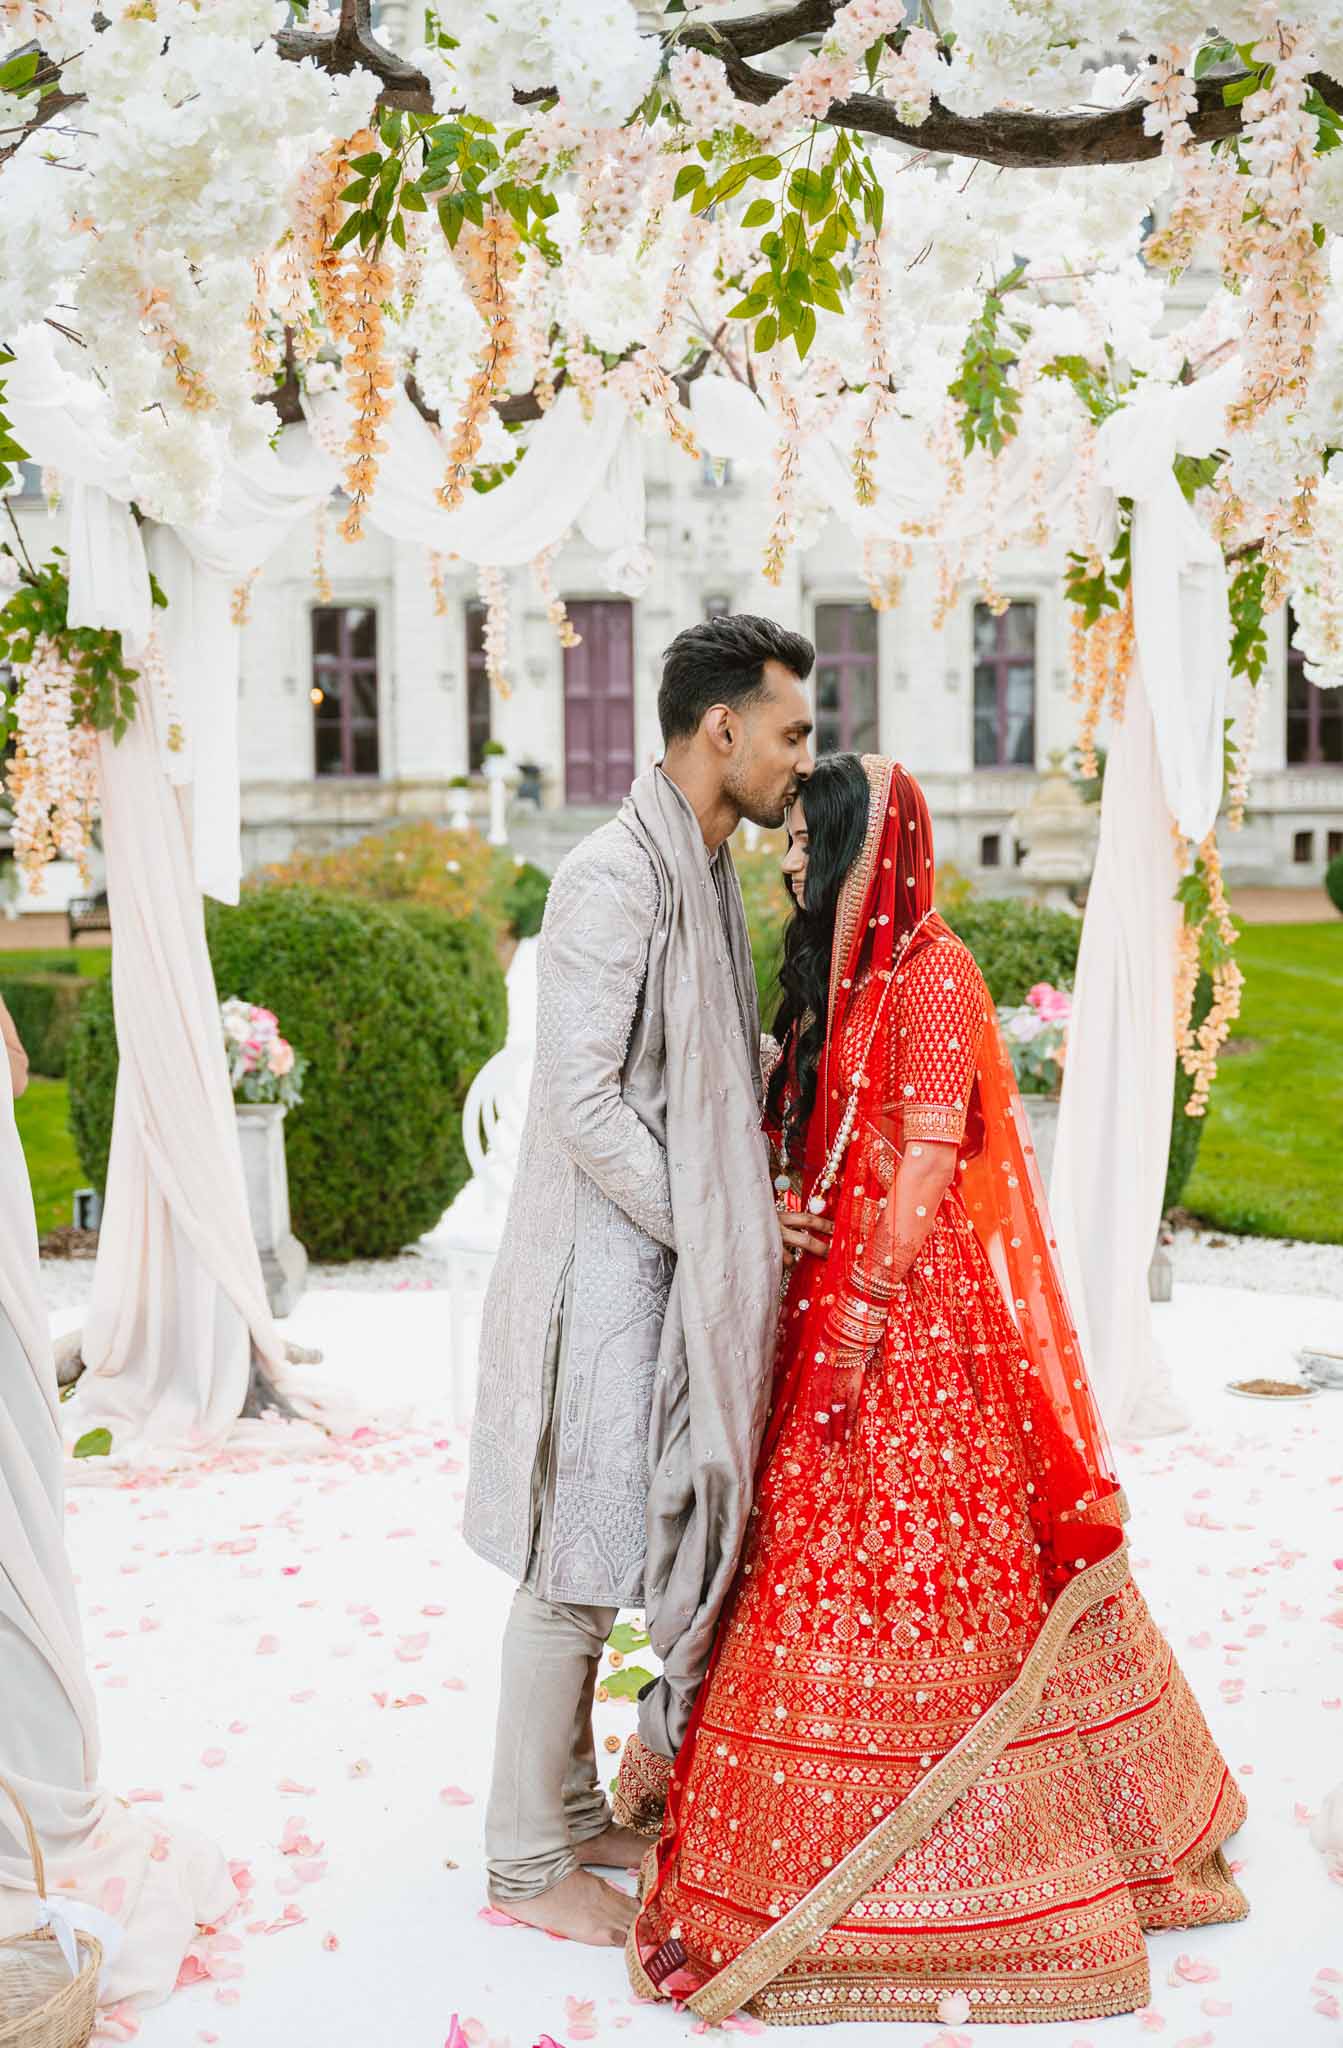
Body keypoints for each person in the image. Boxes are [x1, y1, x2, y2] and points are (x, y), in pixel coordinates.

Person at [628, 754, 1247, 2027]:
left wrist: (857, 1312)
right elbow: (821, 1139)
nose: (791, 861)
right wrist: (792, 1224)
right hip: (828, 1310)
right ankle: (811, 1799)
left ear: (870, 849)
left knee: (937, 1565)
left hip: (908, 1323)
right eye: (788, 839)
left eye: (809, 841)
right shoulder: (840, 974)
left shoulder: (933, 972)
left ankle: (961, 1828)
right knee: (806, 1554)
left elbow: (920, 1162)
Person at [465, 614, 832, 1947]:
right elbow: (579, 1101)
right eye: (789, 731)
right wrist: (721, 1222)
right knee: (569, 1559)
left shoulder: (695, 869)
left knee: (606, 1545)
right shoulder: (613, 880)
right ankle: (519, 1863)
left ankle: (565, 1815)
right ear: (719, 728)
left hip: (654, 1267)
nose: (804, 758)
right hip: (599, 1274)